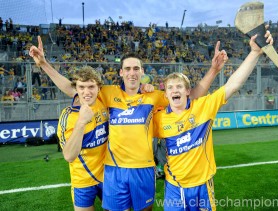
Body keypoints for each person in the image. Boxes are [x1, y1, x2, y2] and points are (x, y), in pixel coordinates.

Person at [29, 36, 228, 211]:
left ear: (142, 72)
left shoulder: (155, 96)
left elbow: (191, 95)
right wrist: (44, 65)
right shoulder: (108, 92)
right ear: (121, 73)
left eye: (136, 68)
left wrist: (213, 70)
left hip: (144, 168)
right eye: (127, 69)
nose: (132, 73)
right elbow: (74, 89)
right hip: (115, 169)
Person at [153, 32, 273, 210]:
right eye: (170, 87)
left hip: (203, 185)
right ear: (166, 95)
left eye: (179, 86)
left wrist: (254, 52)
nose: (174, 90)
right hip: (174, 187)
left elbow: (232, 85)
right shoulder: (158, 118)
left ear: (188, 91)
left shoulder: (204, 106)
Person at [56, 66, 109, 210]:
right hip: (82, 180)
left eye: (91, 86)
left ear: (98, 87)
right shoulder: (69, 117)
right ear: (77, 89)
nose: (87, 92)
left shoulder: (102, 101)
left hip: (108, 176)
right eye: (82, 87)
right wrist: (81, 122)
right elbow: (69, 156)